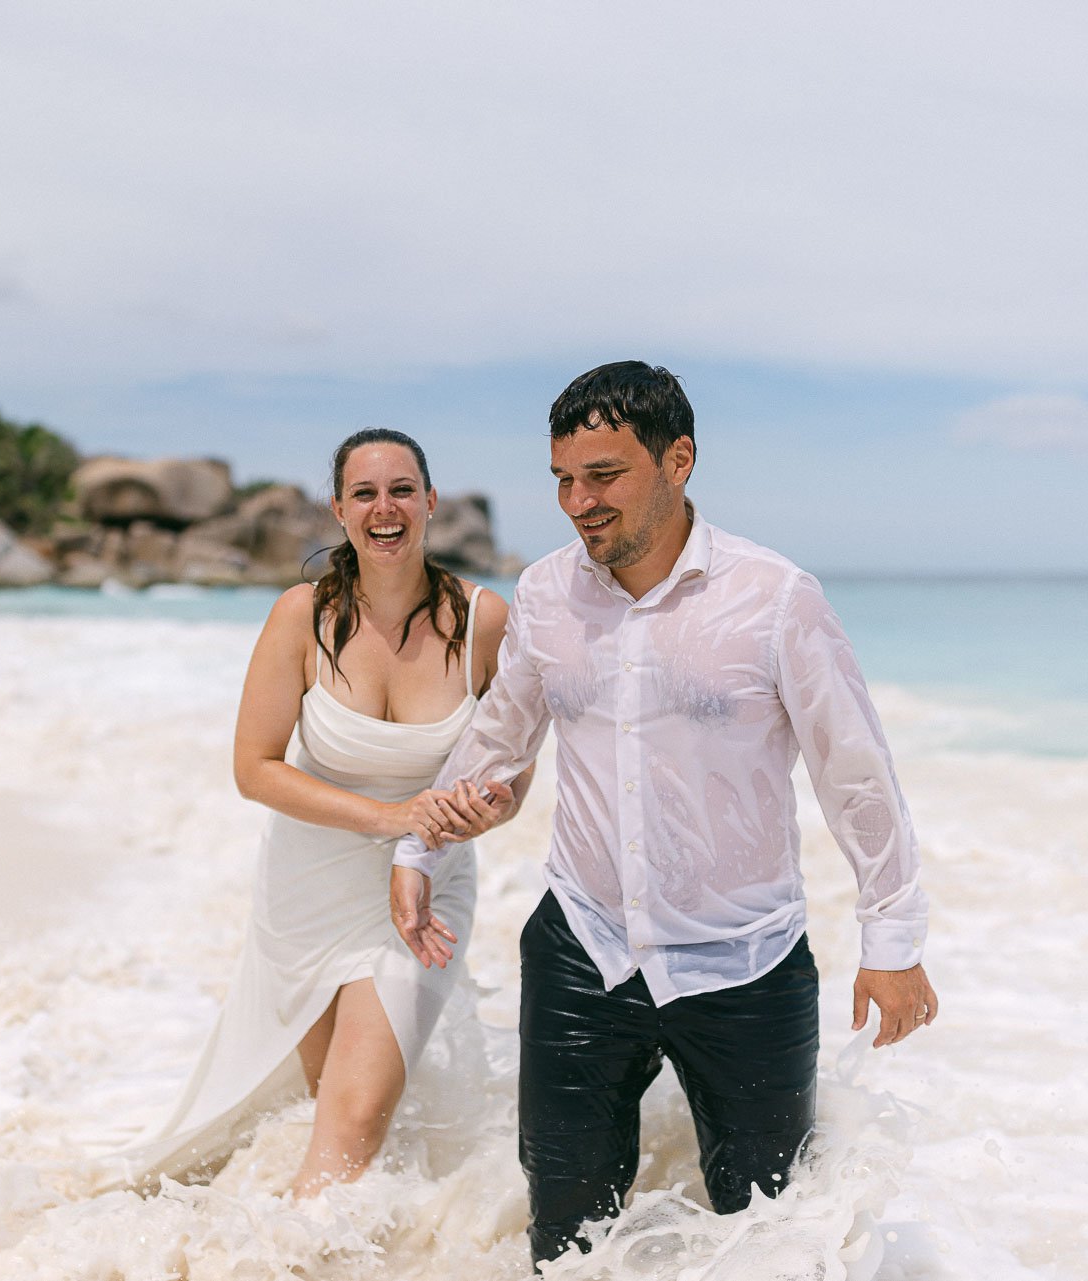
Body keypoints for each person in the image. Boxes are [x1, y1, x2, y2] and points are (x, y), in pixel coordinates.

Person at [389, 361, 938, 1266]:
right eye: (564, 479)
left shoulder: (775, 597)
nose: (578, 501)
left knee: (768, 1238)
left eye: (603, 476)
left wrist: (894, 940)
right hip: (585, 947)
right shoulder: (546, 593)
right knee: (564, 1238)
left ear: (678, 459)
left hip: (745, 963)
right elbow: (497, 741)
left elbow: (857, 773)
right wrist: (420, 843)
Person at [115, 427, 530, 1200]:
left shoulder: (486, 622)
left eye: (402, 489)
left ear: (432, 502)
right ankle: (362, 1236)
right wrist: (389, 816)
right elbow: (254, 769)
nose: (385, 508)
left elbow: (513, 776)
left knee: (357, 1114)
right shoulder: (300, 617)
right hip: (308, 889)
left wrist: (469, 816)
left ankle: (288, 1254)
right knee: (331, 1108)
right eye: (365, 493)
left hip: (426, 895)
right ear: (337, 509)